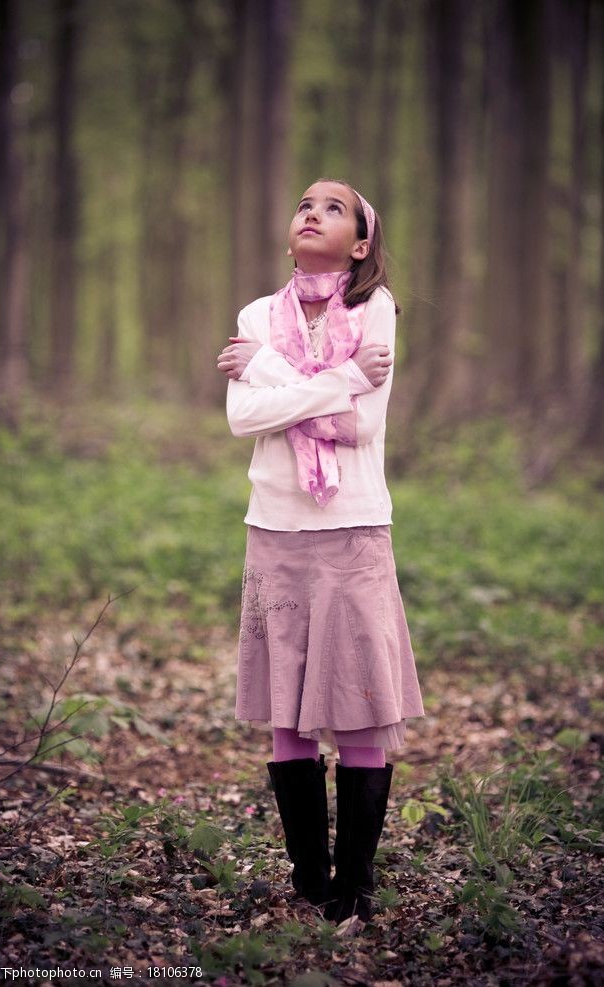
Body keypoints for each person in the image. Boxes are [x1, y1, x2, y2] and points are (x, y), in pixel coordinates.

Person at [216, 179, 425, 925]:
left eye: (334, 208)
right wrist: (331, 381)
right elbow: (245, 416)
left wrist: (276, 379)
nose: (313, 212)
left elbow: (361, 428)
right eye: (306, 202)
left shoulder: (377, 310)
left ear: (361, 243)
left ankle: (354, 882)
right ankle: (309, 872)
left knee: (362, 706)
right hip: (274, 528)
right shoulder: (255, 315)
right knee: (288, 712)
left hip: (354, 528)